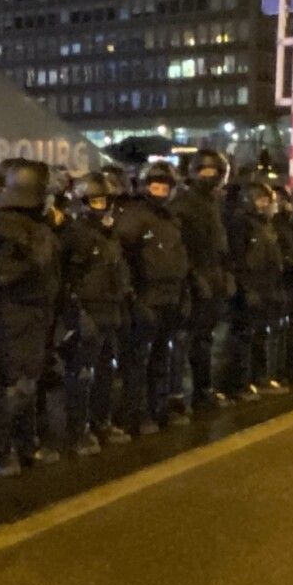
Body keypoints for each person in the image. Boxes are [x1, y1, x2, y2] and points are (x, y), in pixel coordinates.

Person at [0, 159, 62, 473]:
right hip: (12, 315)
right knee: (13, 385)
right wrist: (30, 259)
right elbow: (0, 274)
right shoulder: (2, 225)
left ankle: (26, 444)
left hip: (35, 312)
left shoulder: (33, 224)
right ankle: (0, 450)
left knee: (29, 383)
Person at [59, 172, 132, 452]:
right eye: (96, 201)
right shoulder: (75, 235)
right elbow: (67, 279)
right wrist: (77, 314)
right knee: (81, 374)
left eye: (104, 201)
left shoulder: (108, 234)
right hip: (87, 313)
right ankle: (78, 430)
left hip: (109, 311)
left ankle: (101, 421)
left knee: (104, 372)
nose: (102, 206)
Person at [115, 161, 189, 435]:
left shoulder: (170, 219)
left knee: (160, 358)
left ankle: (158, 409)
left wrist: (184, 294)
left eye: (164, 187)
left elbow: (180, 259)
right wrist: (133, 297)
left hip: (169, 297)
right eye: (154, 186)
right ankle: (137, 413)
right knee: (138, 361)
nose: (159, 191)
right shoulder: (135, 217)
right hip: (146, 298)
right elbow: (123, 259)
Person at [170, 150, 232, 410]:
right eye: (203, 171)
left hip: (213, 276)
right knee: (185, 340)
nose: (209, 177)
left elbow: (220, 245)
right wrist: (194, 276)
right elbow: (181, 247)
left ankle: (202, 388)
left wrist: (226, 273)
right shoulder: (184, 204)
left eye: (213, 172)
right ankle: (177, 395)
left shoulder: (215, 203)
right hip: (191, 282)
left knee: (205, 338)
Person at [223, 176, 285, 397]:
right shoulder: (241, 224)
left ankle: (259, 377)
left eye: (267, 200)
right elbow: (237, 259)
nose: (265, 204)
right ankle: (240, 383)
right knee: (243, 338)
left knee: (260, 335)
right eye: (260, 200)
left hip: (265, 287)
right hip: (247, 289)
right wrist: (246, 288)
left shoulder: (265, 225)